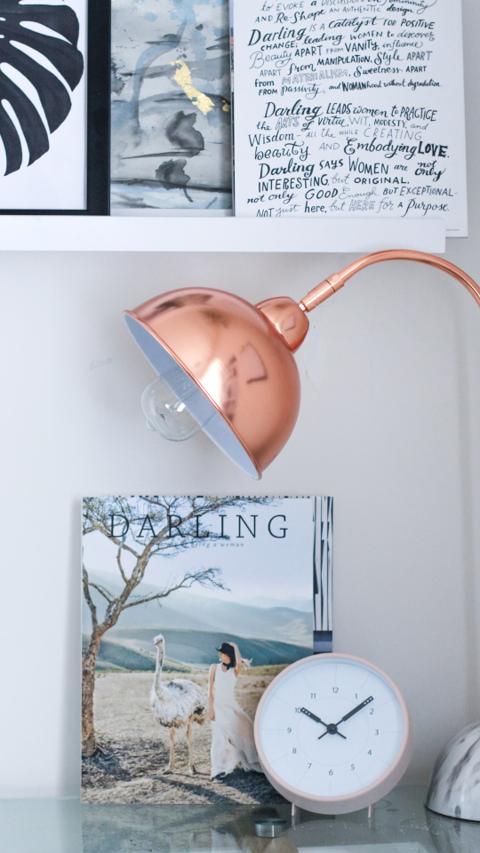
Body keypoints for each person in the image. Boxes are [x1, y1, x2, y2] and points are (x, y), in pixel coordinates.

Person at [208, 641, 261, 779]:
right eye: (220, 652)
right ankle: (217, 770)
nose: (220, 655)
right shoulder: (214, 668)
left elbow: (238, 663)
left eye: (223, 653)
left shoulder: (234, 670)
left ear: (229, 655)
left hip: (231, 707)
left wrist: (236, 647)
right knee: (218, 737)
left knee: (241, 734)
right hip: (217, 707)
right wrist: (210, 708)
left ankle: (247, 760)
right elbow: (210, 690)